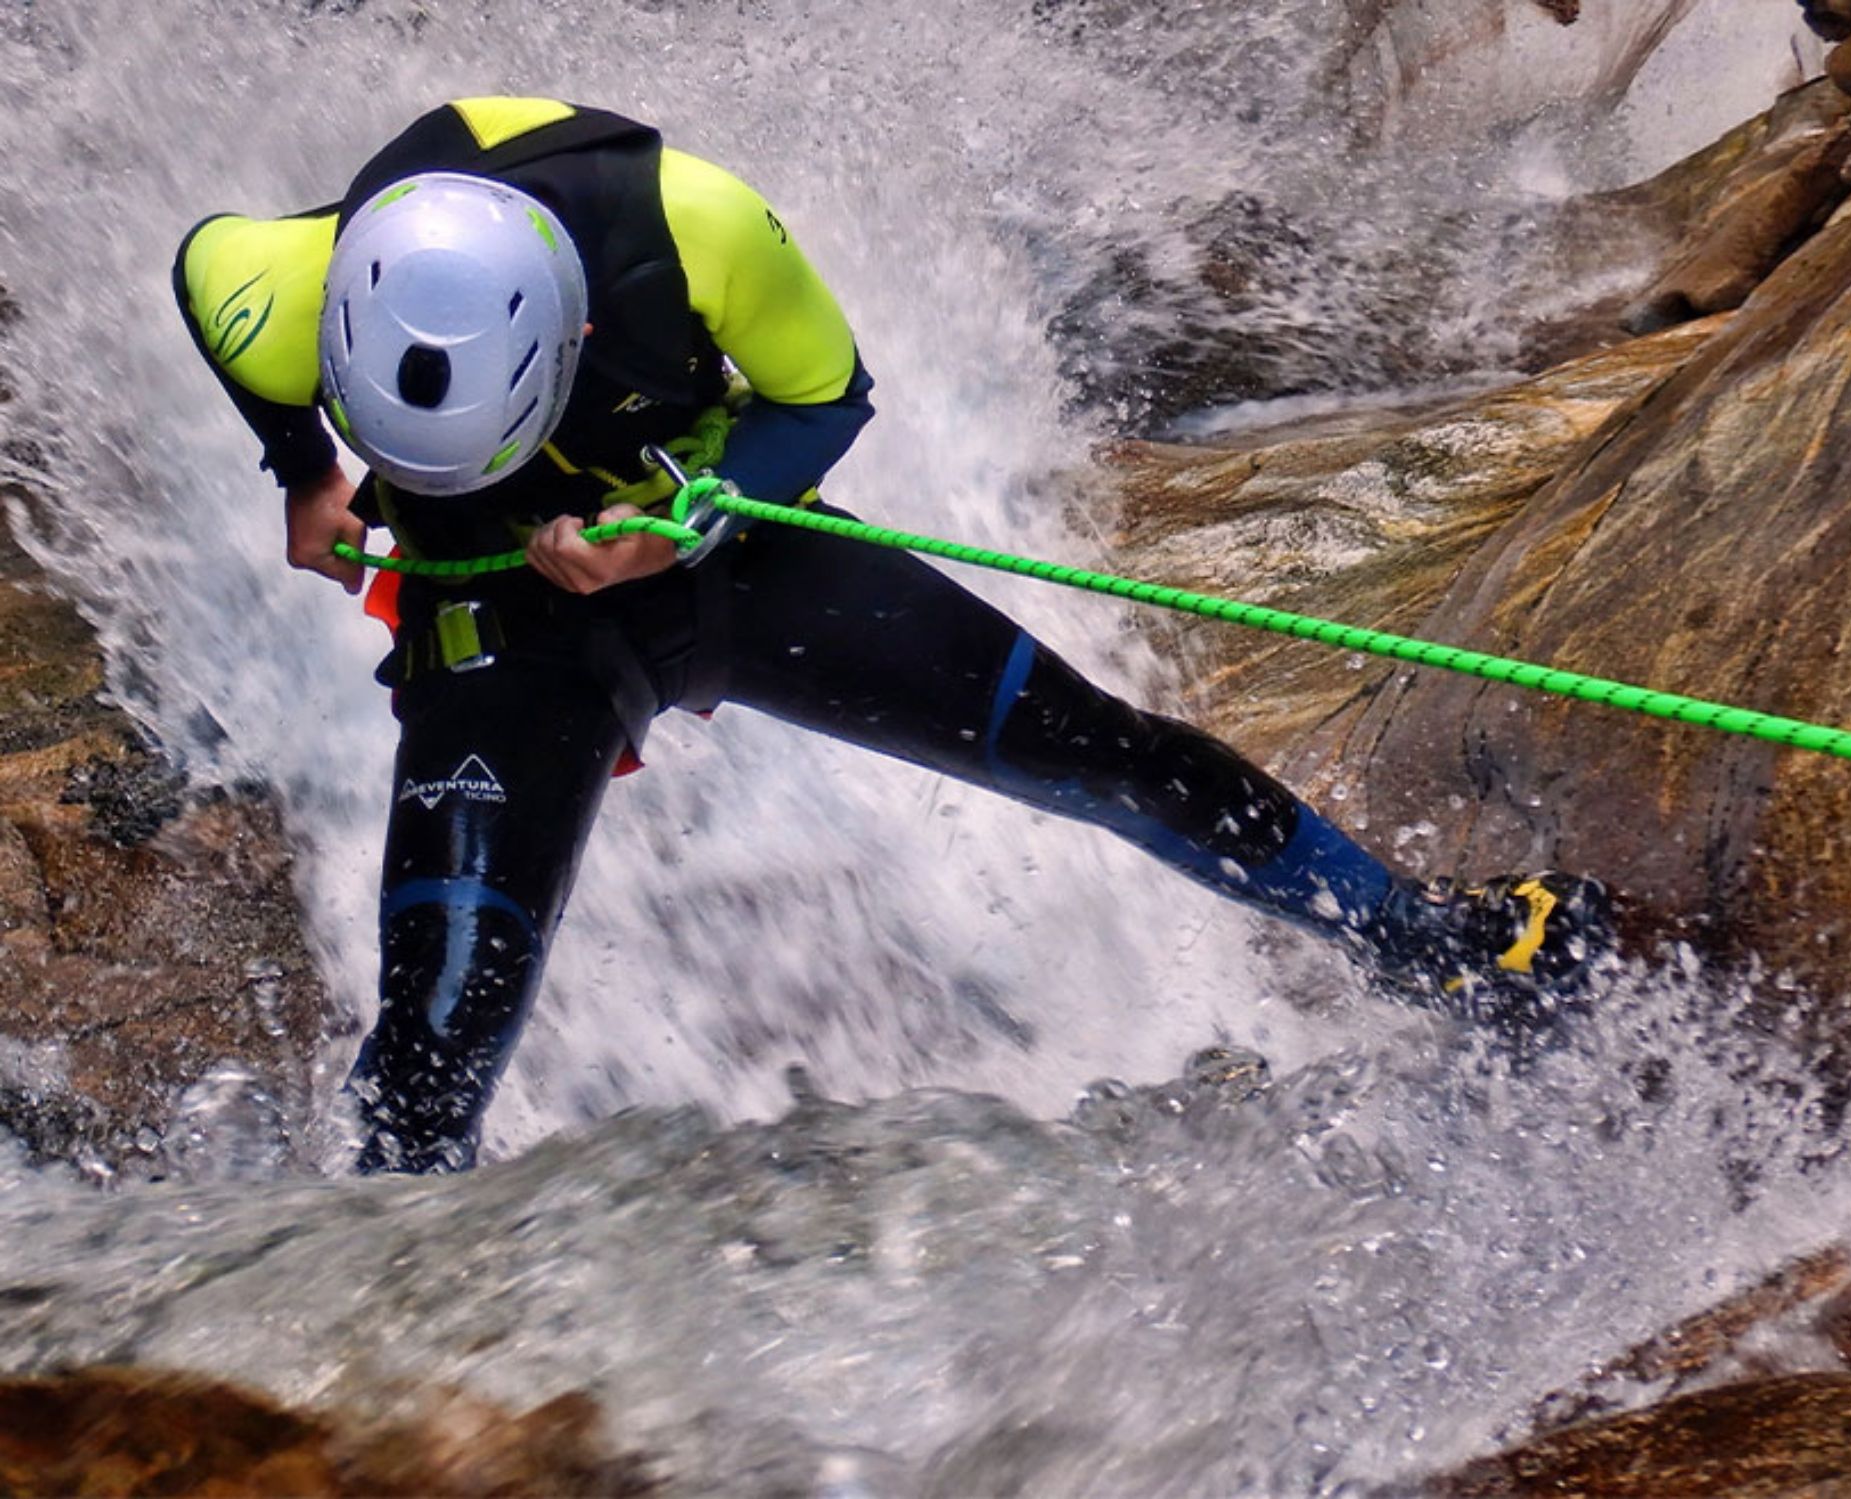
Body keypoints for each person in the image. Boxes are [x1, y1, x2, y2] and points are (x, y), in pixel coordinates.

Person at [174, 97, 1607, 1174]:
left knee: (1106, 755)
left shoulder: (695, 226)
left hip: (726, 550)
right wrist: (305, 472)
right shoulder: (276, 297)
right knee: (428, 1063)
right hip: (496, 617)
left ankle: (1451, 949)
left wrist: (670, 522)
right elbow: (205, 281)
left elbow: (824, 402)